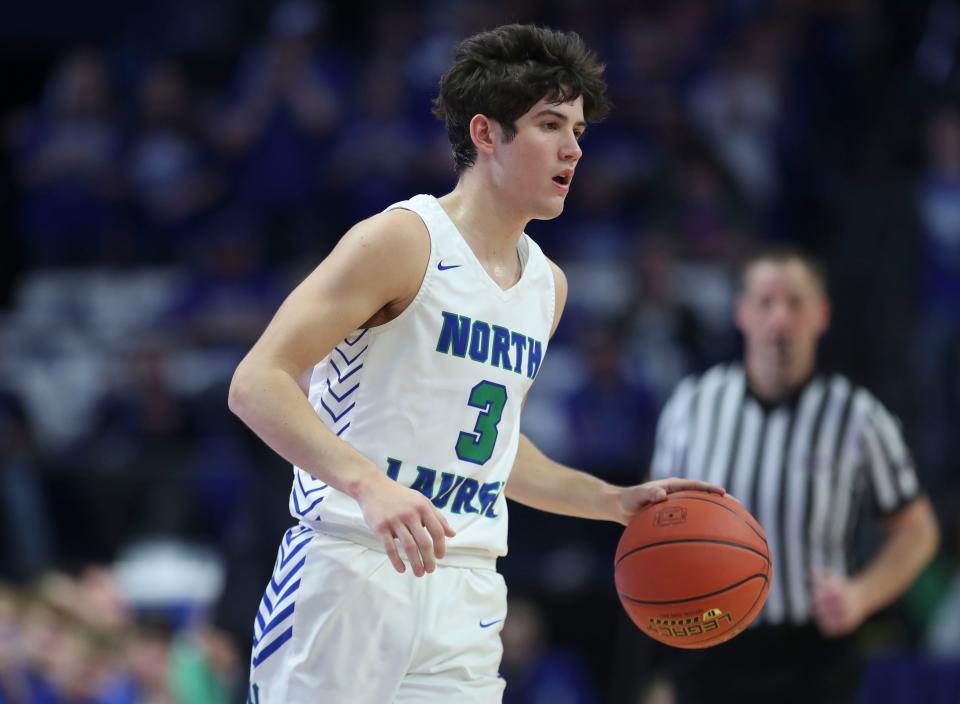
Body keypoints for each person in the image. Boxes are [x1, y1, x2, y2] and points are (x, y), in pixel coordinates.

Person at [228, 23, 722, 704]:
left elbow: (490, 451)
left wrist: (610, 502)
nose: (573, 148)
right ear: (486, 134)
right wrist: (369, 485)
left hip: (467, 584)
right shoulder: (401, 240)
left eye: (578, 129)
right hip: (350, 566)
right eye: (550, 124)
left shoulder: (548, 286)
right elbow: (257, 383)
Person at [643, 247, 940, 704]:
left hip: (813, 654)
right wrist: (658, 665)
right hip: (707, 644)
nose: (779, 320)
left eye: (795, 303)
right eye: (765, 302)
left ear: (821, 315)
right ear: (742, 313)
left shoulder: (857, 416)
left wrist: (862, 594)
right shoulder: (693, 405)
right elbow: (655, 535)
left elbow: (918, 530)